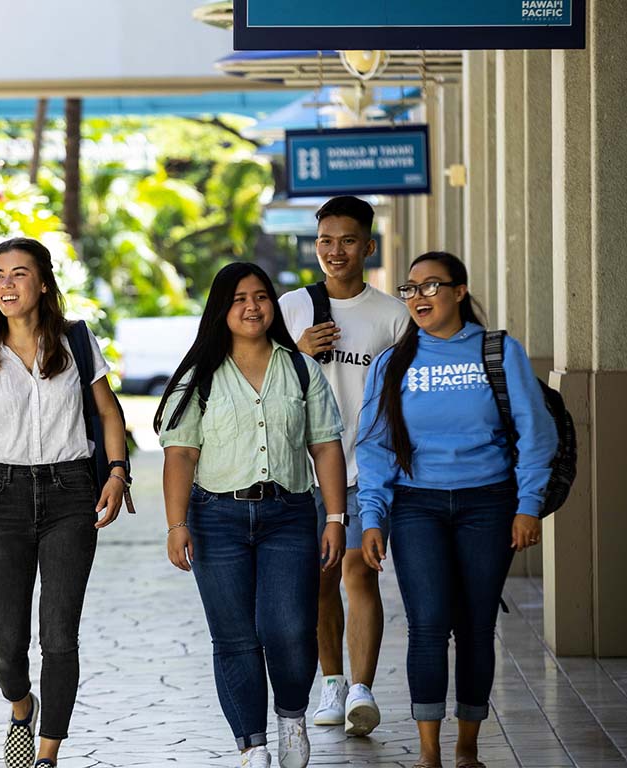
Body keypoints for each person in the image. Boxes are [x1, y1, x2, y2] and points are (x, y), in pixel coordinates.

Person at [356, 252, 557, 768]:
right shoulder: (392, 361)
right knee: (427, 624)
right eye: (411, 288)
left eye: (431, 286)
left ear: (460, 292)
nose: (418, 297)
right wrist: (373, 514)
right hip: (416, 506)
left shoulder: (498, 351)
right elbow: (374, 445)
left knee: (474, 624)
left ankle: (467, 748)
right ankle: (429, 754)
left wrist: (528, 505)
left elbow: (537, 432)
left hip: (488, 503)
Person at [155, 262, 348, 768]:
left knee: (289, 626)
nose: (252, 306)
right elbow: (179, 454)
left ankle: (291, 718)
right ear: (221, 308)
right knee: (234, 636)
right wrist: (176, 526)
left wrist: (335, 518)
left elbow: (326, 446)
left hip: (290, 516)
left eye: (261, 296)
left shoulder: (301, 368)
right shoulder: (199, 377)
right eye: (239, 298)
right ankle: (251, 745)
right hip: (216, 518)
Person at [0, 237, 127, 768]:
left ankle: (46, 754)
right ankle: (22, 705)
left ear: (42, 282)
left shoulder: (74, 343)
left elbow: (110, 414)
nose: (5, 284)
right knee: (3, 644)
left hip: (72, 493)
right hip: (4, 496)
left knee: (59, 635)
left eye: (18, 274)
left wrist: (116, 473)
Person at [278, 196, 409, 735]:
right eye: (326, 241)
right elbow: (257, 380)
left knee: (358, 571)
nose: (335, 251)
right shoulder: (289, 308)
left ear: (368, 247)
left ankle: (362, 688)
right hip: (297, 472)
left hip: (364, 471)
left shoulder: (392, 316)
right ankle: (331, 683)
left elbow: (405, 396)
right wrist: (299, 350)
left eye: (348, 240)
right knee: (318, 581)